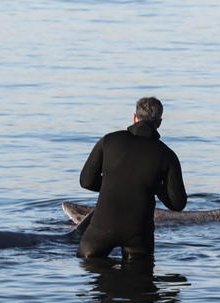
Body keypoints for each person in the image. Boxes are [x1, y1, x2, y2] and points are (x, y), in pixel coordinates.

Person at [76, 97, 187, 259]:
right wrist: (153, 187)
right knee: (139, 280)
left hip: (100, 229)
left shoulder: (109, 141)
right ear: (159, 123)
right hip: (139, 234)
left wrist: (113, 183)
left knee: (87, 265)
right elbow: (178, 204)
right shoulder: (167, 156)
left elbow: (86, 181)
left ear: (134, 118)